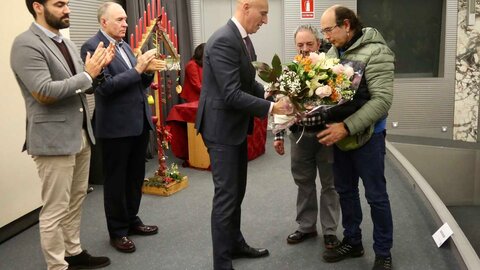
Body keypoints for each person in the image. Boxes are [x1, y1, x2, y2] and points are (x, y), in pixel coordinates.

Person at [10, 0, 114, 269]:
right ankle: (57, 266)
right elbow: (44, 92)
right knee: (55, 208)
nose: (67, 9)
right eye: (60, 4)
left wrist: (96, 74)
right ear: (38, 7)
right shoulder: (25, 44)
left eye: (67, 3)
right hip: (52, 139)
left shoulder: (65, 43)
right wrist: (87, 75)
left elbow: (83, 87)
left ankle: (73, 251)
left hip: (80, 133)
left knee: (77, 197)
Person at [194, 0, 293, 269]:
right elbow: (231, 94)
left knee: (236, 192)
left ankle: (234, 243)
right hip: (221, 128)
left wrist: (271, 92)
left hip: (232, 126)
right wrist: (272, 107)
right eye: (263, 14)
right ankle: (222, 263)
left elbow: (247, 83)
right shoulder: (225, 39)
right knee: (226, 196)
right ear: (245, 6)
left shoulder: (243, 39)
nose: (265, 20)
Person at [80, 2, 165, 254]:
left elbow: (137, 83)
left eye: (126, 20)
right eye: (120, 20)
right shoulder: (92, 47)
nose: (125, 24)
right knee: (116, 181)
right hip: (115, 127)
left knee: (134, 177)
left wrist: (146, 72)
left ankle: (131, 219)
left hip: (137, 123)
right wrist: (138, 69)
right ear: (104, 22)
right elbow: (104, 89)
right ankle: (117, 231)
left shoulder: (124, 46)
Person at [316, 5, 394, 270]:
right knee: (345, 191)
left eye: (329, 29)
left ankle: (383, 253)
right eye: (323, 30)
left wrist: (346, 127)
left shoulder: (377, 51)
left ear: (346, 25)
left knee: (376, 196)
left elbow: (382, 101)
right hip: (341, 135)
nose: (325, 36)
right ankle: (353, 241)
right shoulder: (331, 52)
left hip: (369, 137)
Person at [272, 24, 341, 249]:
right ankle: (306, 227)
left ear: (318, 44)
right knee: (304, 183)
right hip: (300, 137)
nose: (304, 49)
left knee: (330, 185)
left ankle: (330, 231)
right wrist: (278, 136)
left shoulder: (330, 69)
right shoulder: (289, 71)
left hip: (326, 136)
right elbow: (280, 107)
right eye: (300, 44)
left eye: (309, 44)